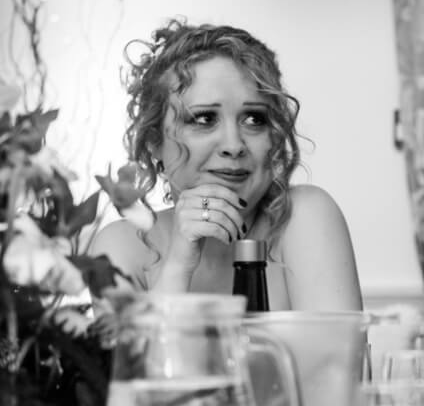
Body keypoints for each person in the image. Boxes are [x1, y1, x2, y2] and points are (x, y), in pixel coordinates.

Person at [91, 19, 362, 311]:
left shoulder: (306, 216)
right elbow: (135, 358)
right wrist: (179, 263)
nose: (234, 146)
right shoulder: (120, 248)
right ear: (154, 139)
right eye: (205, 119)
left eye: (254, 119)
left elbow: (336, 356)